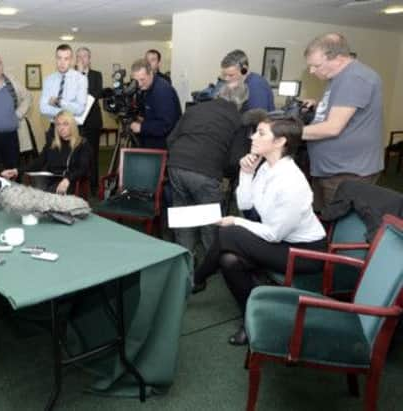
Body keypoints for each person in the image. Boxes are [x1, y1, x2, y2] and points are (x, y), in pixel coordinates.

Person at [191, 114, 326, 346]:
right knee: (228, 260)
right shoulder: (265, 168)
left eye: (261, 133)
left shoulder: (292, 182)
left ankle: (197, 279)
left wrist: (236, 222)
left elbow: (273, 233)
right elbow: (245, 205)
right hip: (279, 240)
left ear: (280, 142)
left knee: (228, 233)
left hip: (303, 253)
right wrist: (246, 174)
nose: (253, 136)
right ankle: (249, 317)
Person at [166, 81, 249, 264]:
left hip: (177, 165)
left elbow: (171, 139)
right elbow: (236, 159)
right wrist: (222, 172)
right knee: (210, 222)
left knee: (183, 216)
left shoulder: (196, 108)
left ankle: (185, 260)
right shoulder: (238, 119)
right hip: (206, 172)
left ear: (219, 93)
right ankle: (209, 266)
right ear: (242, 102)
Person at [301, 32, 383, 211]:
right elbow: (344, 113)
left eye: (316, 65)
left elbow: (333, 127)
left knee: (339, 229)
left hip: (347, 173)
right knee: (323, 223)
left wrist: (291, 131)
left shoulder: (354, 78)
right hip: (331, 169)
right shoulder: (338, 78)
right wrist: (319, 105)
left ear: (337, 58)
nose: (312, 71)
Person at [0, 110, 90, 195]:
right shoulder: (52, 143)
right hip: (49, 178)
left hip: (69, 180)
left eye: (65, 124)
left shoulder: (82, 144)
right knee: (29, 192)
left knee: (42, 195)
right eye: (58, 124)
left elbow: (83, 168)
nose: (61, 128)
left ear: (72, 125)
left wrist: (68, 179)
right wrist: (16, 171)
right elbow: (38, 162)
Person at [129, 58, 181, 149]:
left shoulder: (162, 91)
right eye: (136, 81)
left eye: (142, 79)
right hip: (151, 141)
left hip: (164, 145)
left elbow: (166, 124)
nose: (139, 84)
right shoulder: (145, 87)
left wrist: (141, 127)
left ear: (151, 73)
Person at [40, 44, 88, 138]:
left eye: (66, 59)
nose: (62, 62)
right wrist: (70, 108)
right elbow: (43, 108)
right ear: (55, 59)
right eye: (59, 58)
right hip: (54, 129)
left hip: (74, 130)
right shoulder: (48, 80)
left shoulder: (81, 79)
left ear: (71, 60)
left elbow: (80, 109)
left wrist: (59, 102)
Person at [75, 47, 103, 191]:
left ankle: (93, 185)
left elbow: (94, 94)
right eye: (78, 56)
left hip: (92, 122)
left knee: (93, 154)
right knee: (76, 155)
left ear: (89, 58)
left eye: (84, 56)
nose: (81, 59)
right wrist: (78, 74)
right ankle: (76, 184)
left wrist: (82, 76)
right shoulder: (70, 75)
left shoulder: (97, 75)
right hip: (75, 123)